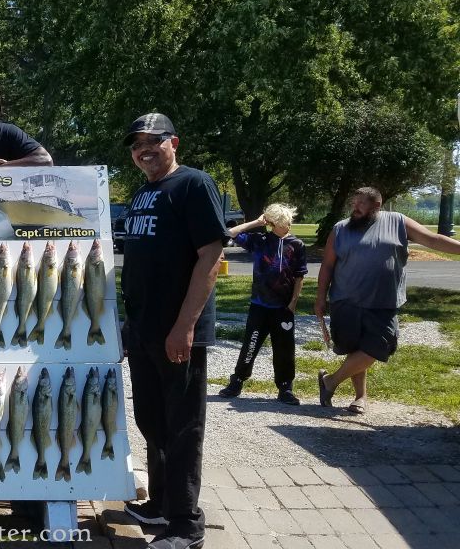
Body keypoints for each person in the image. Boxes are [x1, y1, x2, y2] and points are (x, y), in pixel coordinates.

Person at [120, 113, 226, 549]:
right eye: (136, 144)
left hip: (177, 332)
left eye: (153, 141)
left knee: (183, 428)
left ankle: (186, 525)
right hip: (144, 329)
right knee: (152, 420)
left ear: (174, 142)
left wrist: (184, 326)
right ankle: (161, 504)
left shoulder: (194, 184)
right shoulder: (143, 192)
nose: (144, 149)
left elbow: (211, 256)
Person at [315, 186, 460, 414]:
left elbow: (433, 240)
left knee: (380, 347)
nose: (355, 208)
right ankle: (360, 397)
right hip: (346, 300)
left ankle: (330, 381)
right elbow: (328, 266)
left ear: (376, 206)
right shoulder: (340, 229)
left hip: (384, 302)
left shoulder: (398, 222)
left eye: (361, 204)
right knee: (355, 348)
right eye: (354, 203)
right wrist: (320, 298)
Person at [218, 203, 307, 405]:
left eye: (289, 221)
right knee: (251, 344)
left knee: (284, 348)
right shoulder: (260, 241)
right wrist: (257, 222)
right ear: (273, 224)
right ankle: (237, 380)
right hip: (259, 305)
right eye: (284, 222)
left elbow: (299, 276)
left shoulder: (297, 245)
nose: (288, 225)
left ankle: (285, 387)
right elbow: (229, 233)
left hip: (283, 307)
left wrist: (293, 303)